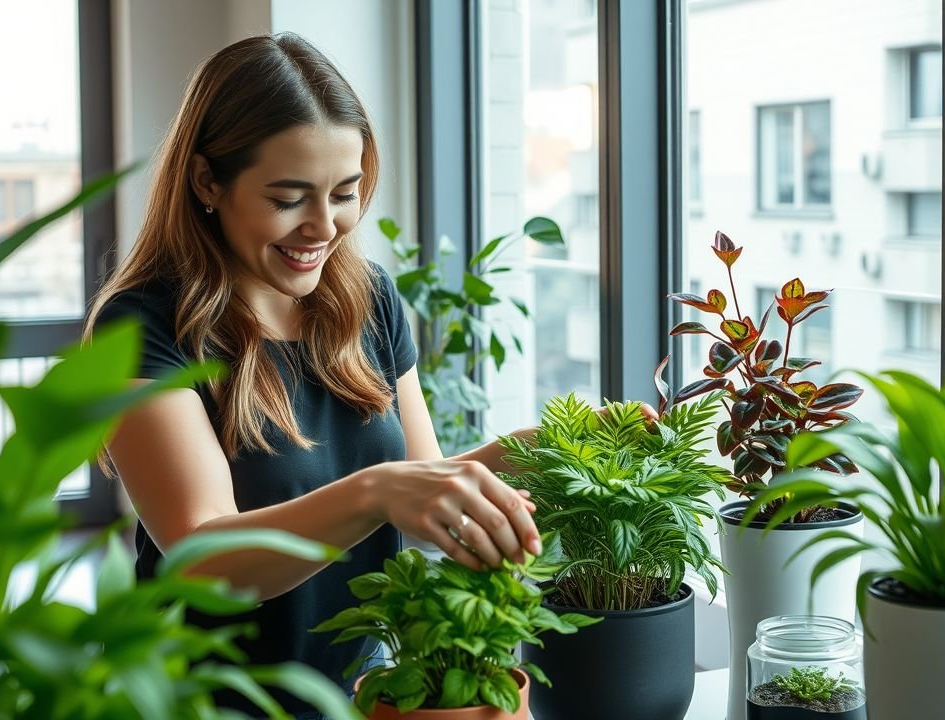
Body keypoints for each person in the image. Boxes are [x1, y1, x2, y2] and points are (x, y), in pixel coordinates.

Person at [87, 32, 633, 718]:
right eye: (290, 198)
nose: (324, 226)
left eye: (344, 193)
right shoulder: (144, 327)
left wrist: (536, 451)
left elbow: (422, 490)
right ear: (206, 182)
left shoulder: (366, 298)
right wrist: (376, 491)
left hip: (360, 696)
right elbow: (201, 558)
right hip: (202, 701)